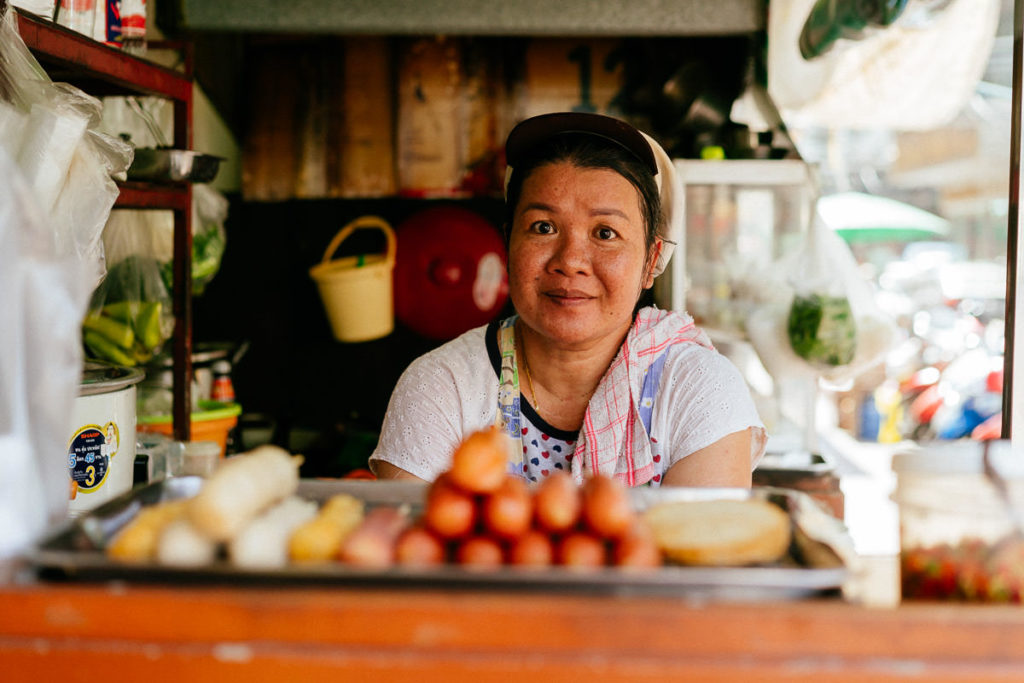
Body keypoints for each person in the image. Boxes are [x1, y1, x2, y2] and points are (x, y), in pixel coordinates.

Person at [370, 112, 766, 487]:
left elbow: (701, 553)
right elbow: (414, 554)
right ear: (509, 244)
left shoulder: (699, 389)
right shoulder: (443, 386)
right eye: (543, 227)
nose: (570, 261)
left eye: (605, 233)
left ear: (651, 260)